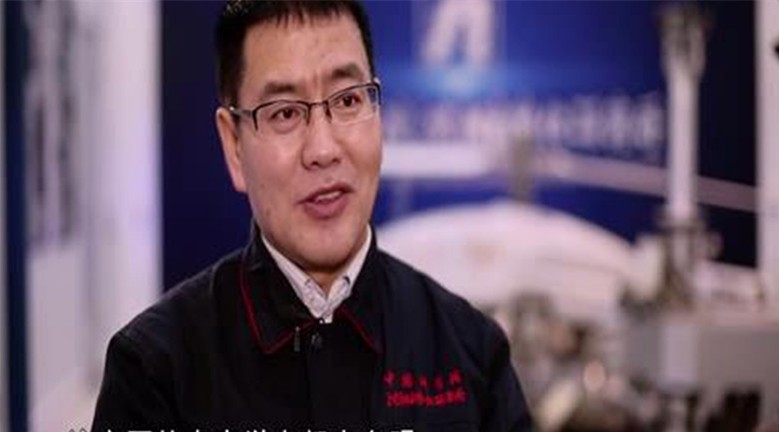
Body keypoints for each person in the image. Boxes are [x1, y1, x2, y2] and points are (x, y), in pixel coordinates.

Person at [92, 1, 533, 431]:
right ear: (234, 146)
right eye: (285, 113)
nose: (323, 149)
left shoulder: (472, 354)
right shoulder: (154, 373)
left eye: (348, 100)